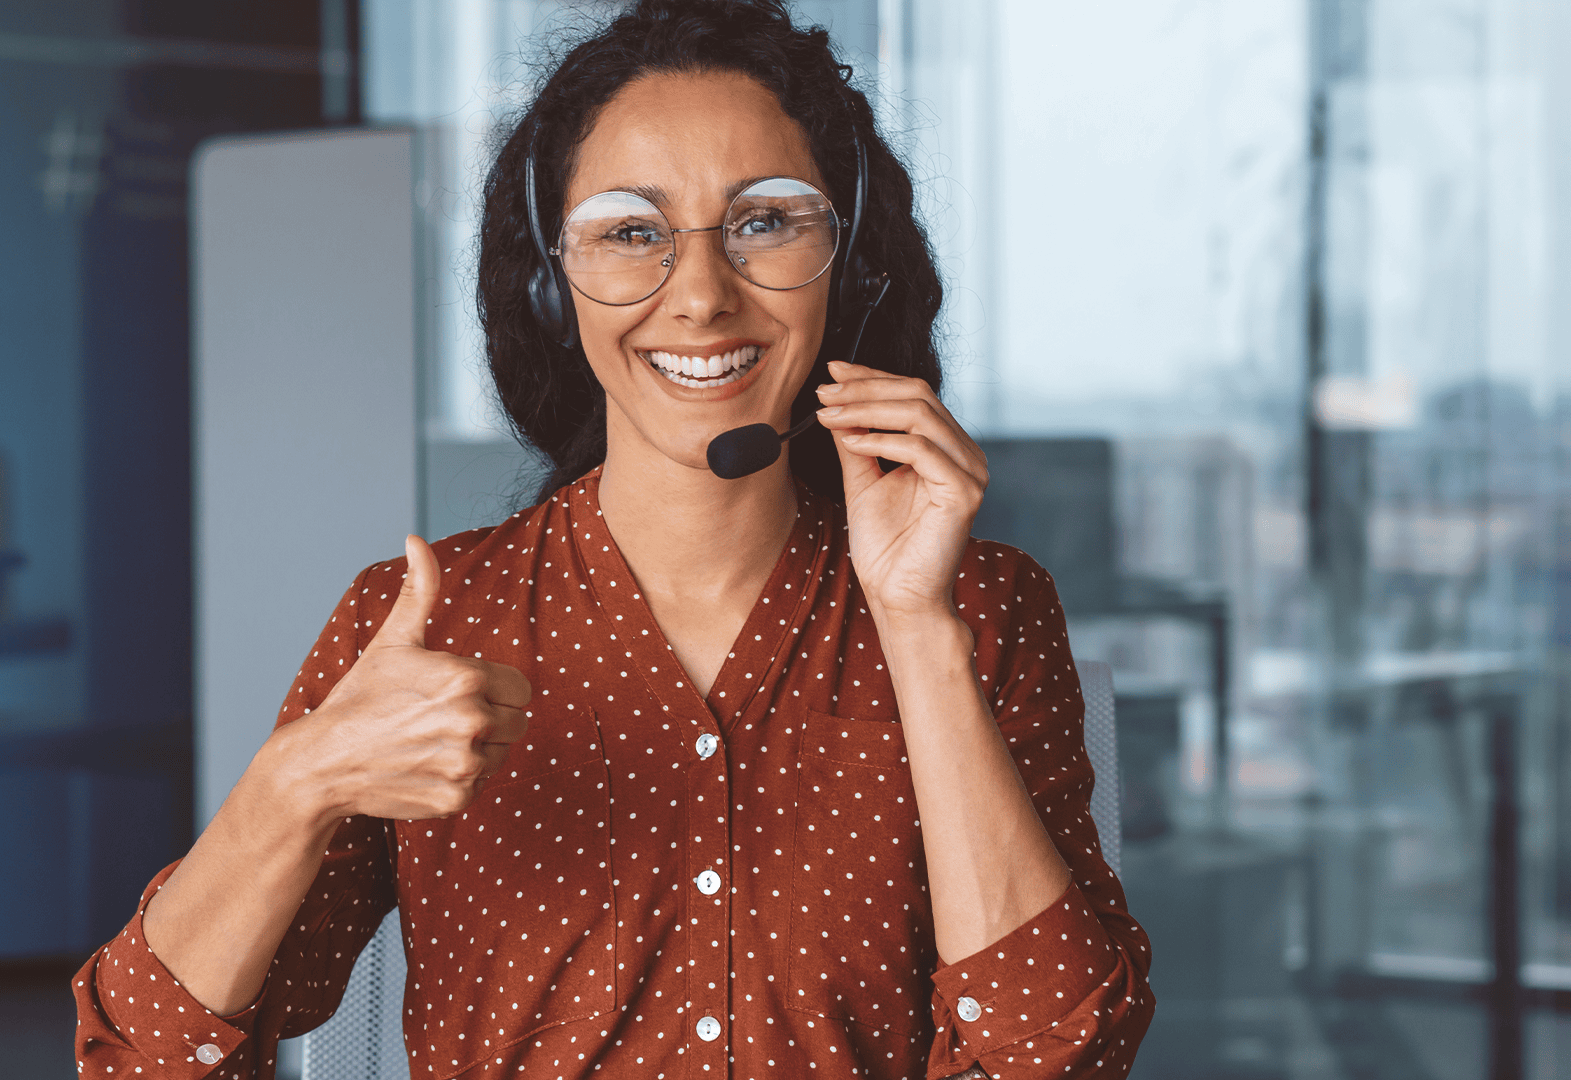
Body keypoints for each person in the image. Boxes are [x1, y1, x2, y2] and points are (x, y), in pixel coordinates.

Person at [72, 2, 1153, 1076]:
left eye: (766, 221)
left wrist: (918, 633)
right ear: (552, 285)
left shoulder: (985, 609)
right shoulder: (430, 621)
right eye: (631, 232)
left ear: (847, 260)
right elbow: (143, 1056)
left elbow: (1056, 1054)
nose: (700, 295)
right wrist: (292, 789)